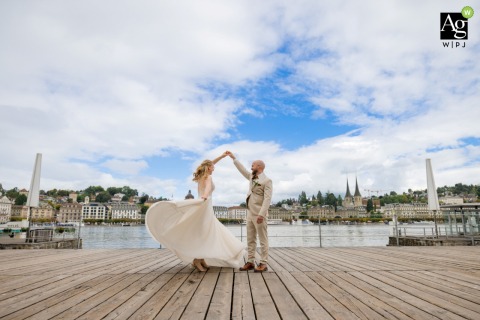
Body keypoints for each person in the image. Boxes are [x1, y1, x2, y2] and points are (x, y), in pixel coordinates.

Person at [145, 152, 245, 272]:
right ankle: (197, 260)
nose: (214, 168)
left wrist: (222, 157)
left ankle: (201, 258)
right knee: (204, 233)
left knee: (203, 232)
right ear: (209, 168)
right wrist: (205, 196)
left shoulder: (201, 176)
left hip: (203, 205)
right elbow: (208, 187)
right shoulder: (208, 176)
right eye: (213, 167)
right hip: (204, 204)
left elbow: (210, 163)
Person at [227, 151, 272, 272]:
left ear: (260, 167)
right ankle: (251, 261)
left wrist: (261, 215)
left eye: (253, 164)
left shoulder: (267, 181)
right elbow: (242, 170)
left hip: (259, 215)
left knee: (263, 239)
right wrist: (234, 159)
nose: (251, 166)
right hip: (250, 214)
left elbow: (267, 199)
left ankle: (263, 263)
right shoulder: (251, 177)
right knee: (250, 239)